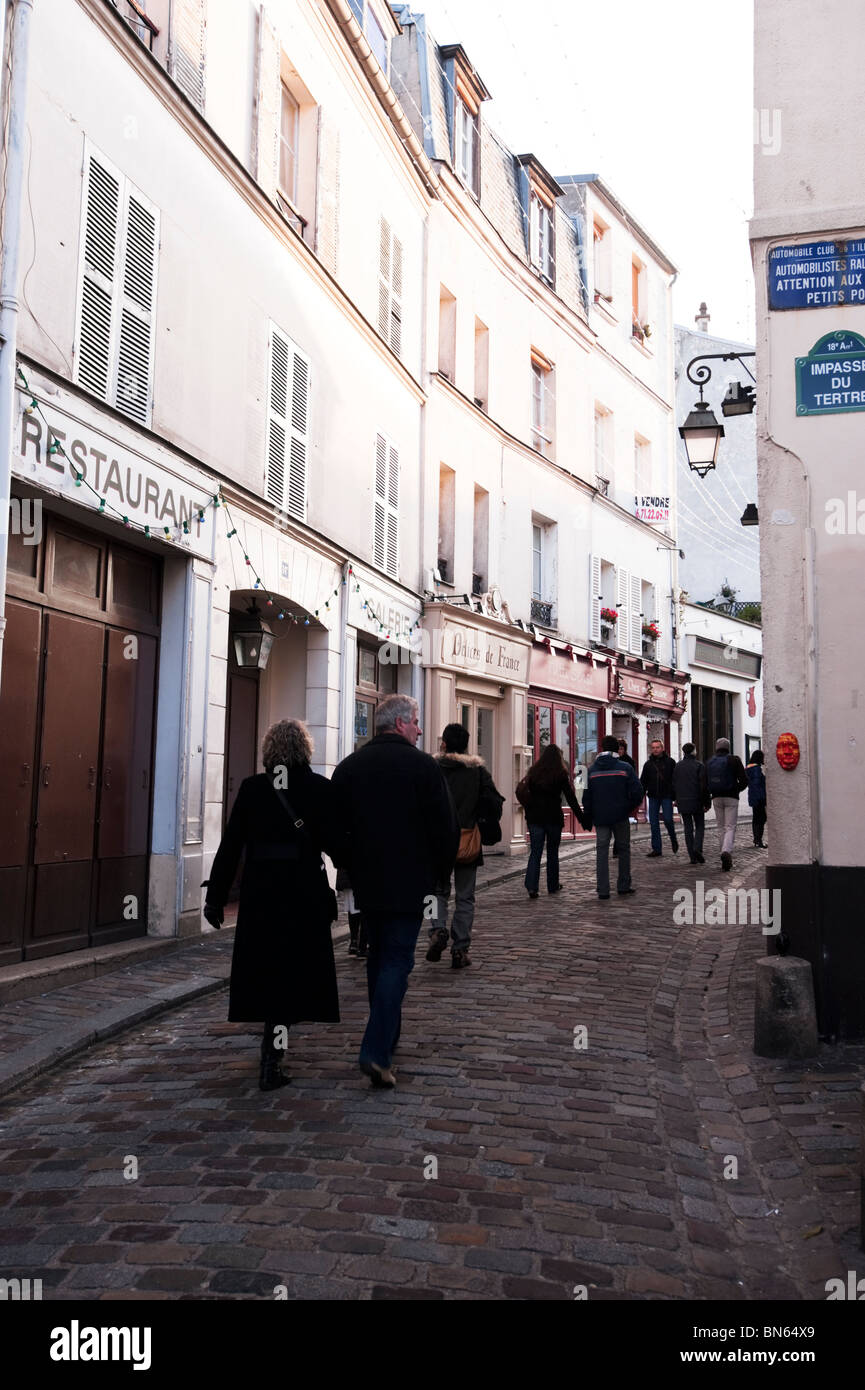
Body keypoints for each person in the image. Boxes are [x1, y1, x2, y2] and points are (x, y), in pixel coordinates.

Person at [202, 720, 340, 1092]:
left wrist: (215, 897)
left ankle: (272, 1048)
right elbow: (338, 845)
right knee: (295, 972)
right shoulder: (317, 789)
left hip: (262, 892)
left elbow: (231, 847)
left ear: (269, 751)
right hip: (304, 891)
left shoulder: (253, 789)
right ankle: (272, 1055)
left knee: (270, 970)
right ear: (305, 750)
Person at [330, 695, 459, 1088]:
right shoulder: (422, 767)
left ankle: (387, 1035)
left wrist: (350, 862)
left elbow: (332, 827)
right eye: (417, 721)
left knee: (378, 958)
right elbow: (446, 829)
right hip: (410, 882)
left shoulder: (350, 767)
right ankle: (376, 1050)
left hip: (368, 882)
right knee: (397, 962)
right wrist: (438, 876)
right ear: (401, 724)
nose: (421, 730)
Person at [427, 723, 504, 970]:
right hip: (467, 839)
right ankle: (460, 948)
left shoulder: (432, 768)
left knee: (432, 893)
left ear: (445, 743)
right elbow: (493, 802)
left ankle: (436, 930)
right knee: (465, 897)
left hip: (437, 841)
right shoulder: (477, 770)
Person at [516, 745, 586, 899]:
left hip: (535, 818)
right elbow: (570, 798)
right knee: (552, 852)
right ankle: (552, 884)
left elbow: (524, 792)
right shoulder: (560, 774)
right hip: (553, 817)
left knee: (535, 851)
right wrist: (582, 818)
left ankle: (532, 886)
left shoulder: (534, 772)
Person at [582, 735, 645, 898]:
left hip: (601, 816)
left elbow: (585, 796)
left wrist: (588, 815)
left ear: (602, 748)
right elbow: (638, 791)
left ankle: (603, 889)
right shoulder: (625, 768)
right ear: (617, 749)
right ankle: (623, 885)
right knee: (623, 850)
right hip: (620, 815)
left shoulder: (591, 770)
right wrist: (628, 807)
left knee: (602, 851)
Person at [706, 736, 748, 871]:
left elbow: (705, 781)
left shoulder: (710, 761)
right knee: (730, 826)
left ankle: (723, 853)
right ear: (728, 748)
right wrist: (737, 789)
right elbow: (744, 780)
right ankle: (726, 851)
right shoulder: (734, 760)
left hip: (716, 797)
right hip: (731, 797)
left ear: (717, 748)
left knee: (720, 827)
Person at [640, 738, 679, 857]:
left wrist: (676, 796)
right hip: (653, 796)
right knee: (654, 822)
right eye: (653, 748)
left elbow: (676, 780)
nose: (655, 750)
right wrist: (640, 794)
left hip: (667, 795)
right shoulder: (648, 764)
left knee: (668, 819)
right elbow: (643, 781)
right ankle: (657, 848)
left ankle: (673, 838)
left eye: (657, 747)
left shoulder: (670, 762)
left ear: (662, 748)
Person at [673, 743, 710, 864]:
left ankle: (692, 856)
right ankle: (697, 848)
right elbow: (703, 786)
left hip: (683, 800)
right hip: (696, 800)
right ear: (694, 751)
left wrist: (676, 799)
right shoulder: (699, 765)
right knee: (699, 826)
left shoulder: (678, 766)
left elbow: (674, 784)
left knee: (688, 828)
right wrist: (707, 802)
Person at [746, 748, 767, 848]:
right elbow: (757, 784)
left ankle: (756, 839)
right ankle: (759, 840)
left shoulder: (749, 767)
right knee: (762, 818)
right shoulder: (756, 769)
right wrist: (761, 797)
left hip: (753, 796)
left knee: (756, 818)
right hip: (759, 797)